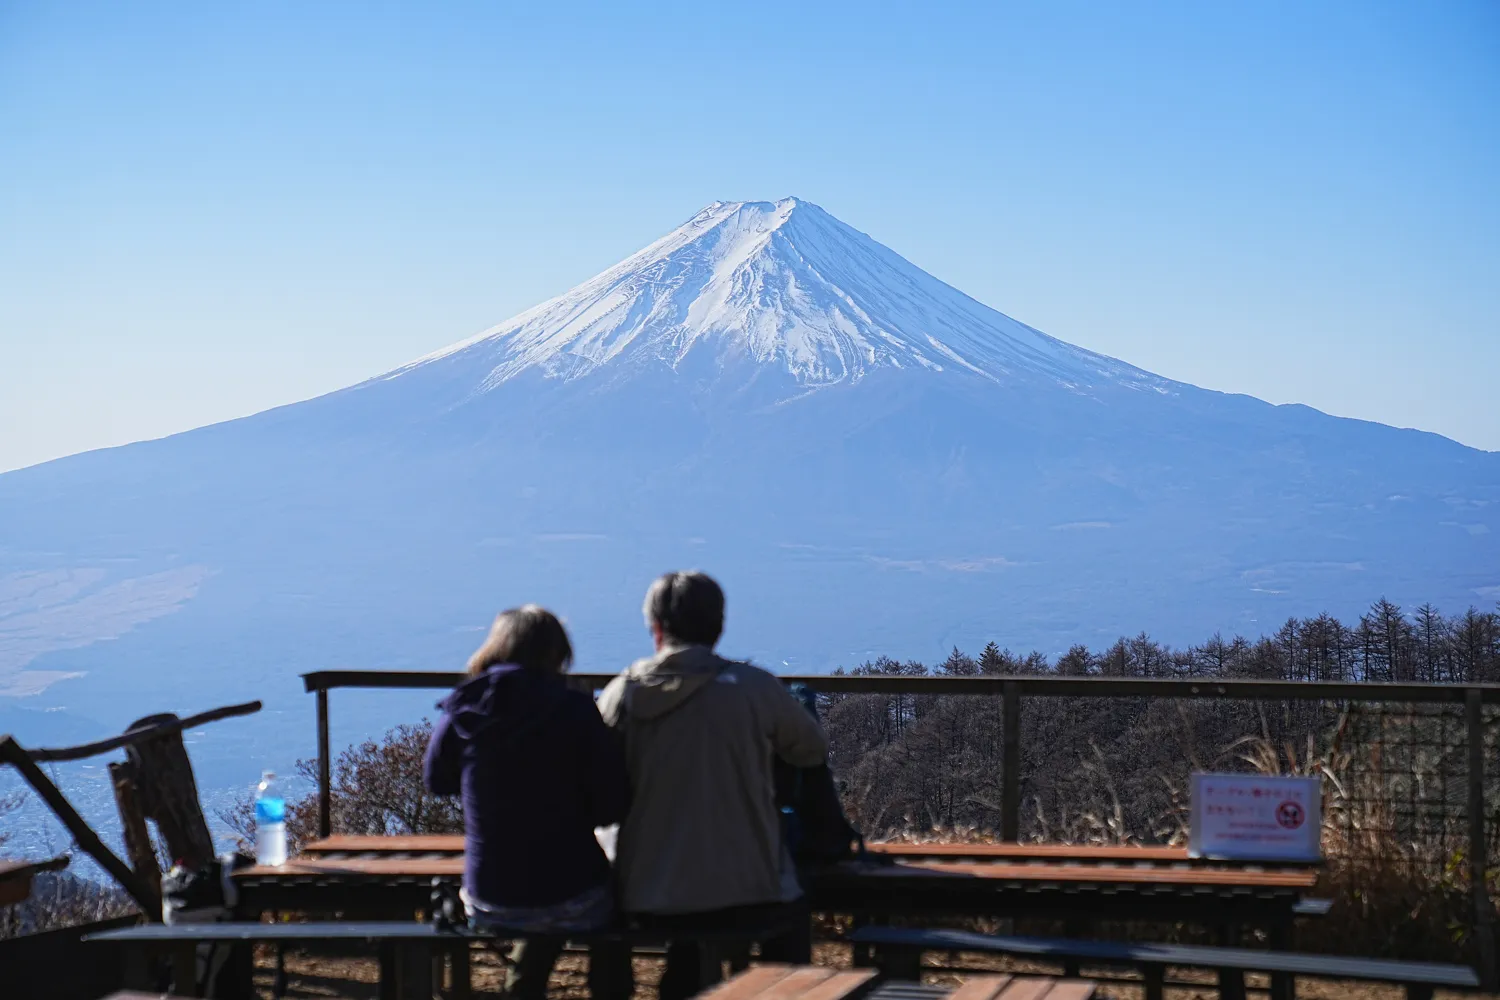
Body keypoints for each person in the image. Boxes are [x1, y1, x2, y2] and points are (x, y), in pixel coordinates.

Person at [597, 571, 830, 1000]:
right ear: (718, 627)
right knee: (793, 910)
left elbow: (591, 776)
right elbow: (812, 750)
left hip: (647, 892)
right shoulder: (754, 688)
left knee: (679, 934)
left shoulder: (624, 693)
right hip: (749, 889)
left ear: (656, 629)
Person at [423, 605, 630, 1000]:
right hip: (574, 894)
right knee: (612, 914)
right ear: (557, 654)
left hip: (489, 898)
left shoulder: (466, 707)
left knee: (538, 913)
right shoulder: (574, 710)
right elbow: (611, 807)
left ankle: (521, 990)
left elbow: (436, 781)